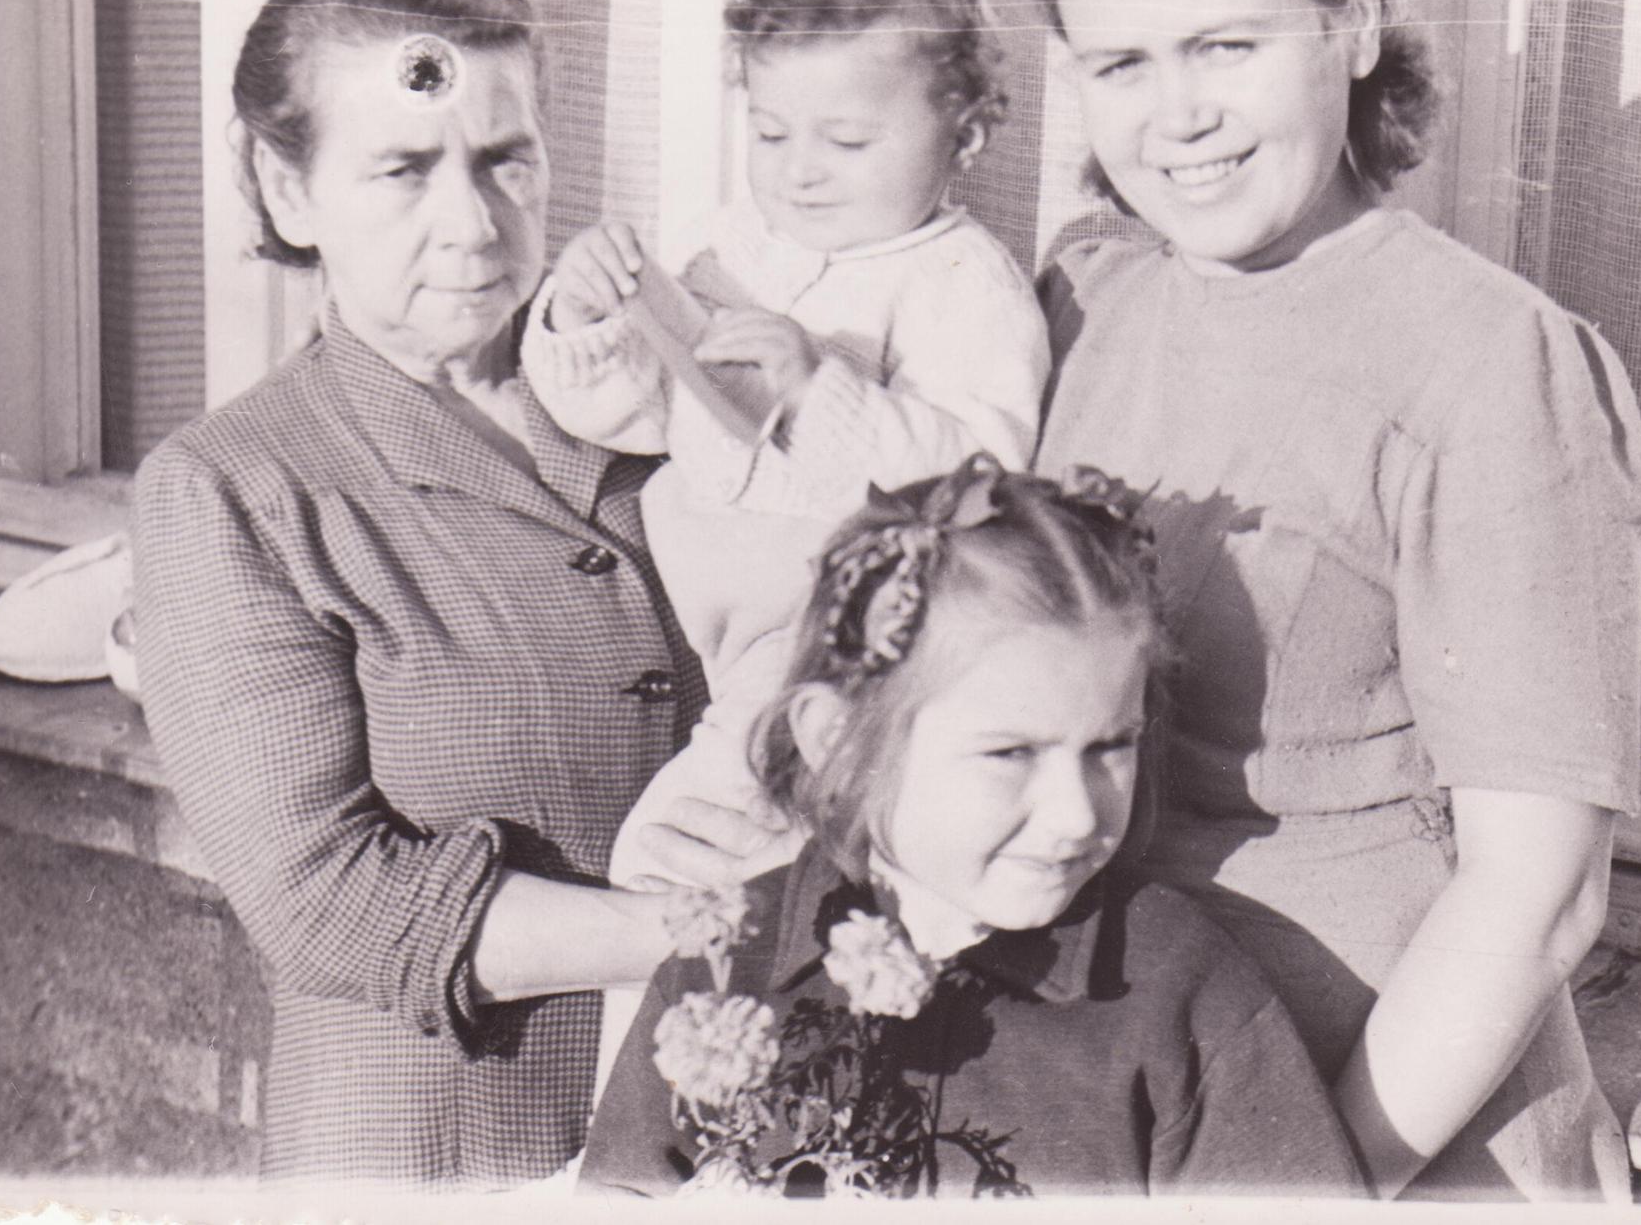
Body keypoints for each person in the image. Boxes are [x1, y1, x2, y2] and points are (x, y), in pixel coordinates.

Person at [1009, 0, 1641, 1201]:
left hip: (1371, 1118)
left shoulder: (1494, 360)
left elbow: (1539, 893)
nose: (1176, 115)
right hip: (1112, 1087)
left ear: (1352, 21)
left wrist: (1295, 1178)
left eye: (1225, 46)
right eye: (1120, 63)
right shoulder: (1087, 294)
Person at [132, 0, 710, 1188]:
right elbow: (328, 898)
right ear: (287, 187)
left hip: (723, 1142)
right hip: (442, 1156)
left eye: (506, 159)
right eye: (403, 169)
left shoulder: (664, 394)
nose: (474, 222)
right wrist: (710, 934)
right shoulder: (235, 487)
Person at [583, 456, 1366, 1198]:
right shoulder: (722, 977)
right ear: (835, 738)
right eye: (1010, 752)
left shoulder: (1177, 988)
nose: (1076, 813)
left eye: (1109, 746)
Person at [522, 0, 1050, 896]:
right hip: (711, 632)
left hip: (847, 637)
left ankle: (711, 963)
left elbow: (983, 485)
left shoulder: (961, 283)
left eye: (847, 139)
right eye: (770, 132)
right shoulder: (735, 249)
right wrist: (587, 319)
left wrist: (818, 392)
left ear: (965, 133)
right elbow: (638, 414)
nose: (800, 169)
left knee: (690, 843)